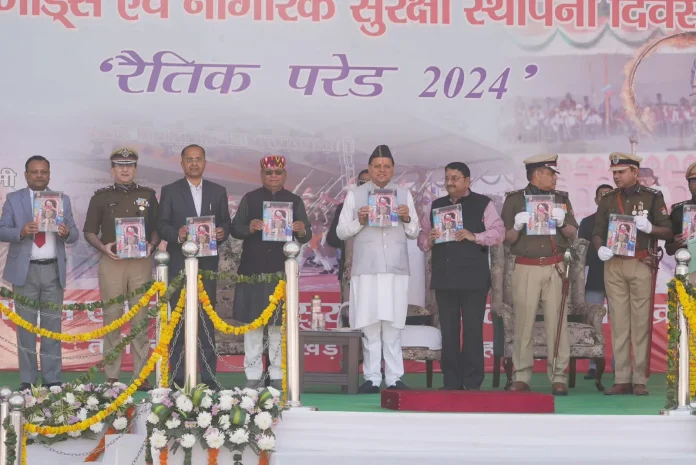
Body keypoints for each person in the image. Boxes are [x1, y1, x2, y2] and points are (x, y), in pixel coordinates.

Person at [337, 145, 420, 393]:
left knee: (393, 326)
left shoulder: (404, 195)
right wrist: (360, 221)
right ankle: (372, 378)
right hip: (367, 269)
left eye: (386, 166)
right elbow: (341, 231)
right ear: (369, 169)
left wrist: (406, 218)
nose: (382, 170)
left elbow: (414, 232)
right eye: (377, 166)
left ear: (393, 169)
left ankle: (394, 378)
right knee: (370, 325)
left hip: (395, 269)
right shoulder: (355, 195)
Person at [593, 152, 672, 396]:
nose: (616, 177)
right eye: (614, 172)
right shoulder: (608, 199)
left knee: (640, 323)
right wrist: (599, 248)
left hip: (640, 262)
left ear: (635, 172)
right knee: (618, 322)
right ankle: (622, 378)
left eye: (621, 172)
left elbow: (668, 231)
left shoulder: (652, 197)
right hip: (614, 264)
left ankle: (639, 379)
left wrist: (650, 227)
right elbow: (597, 231)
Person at [231, 155, 311, 390]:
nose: (273, 176)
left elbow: (307, 234)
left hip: (280, 271)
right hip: (253, 269)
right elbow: (235, 229)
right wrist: (249, 227)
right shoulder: (250, 198)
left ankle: (277, 374)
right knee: (253, 325)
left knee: (277, 325)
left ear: (284, 175)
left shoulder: (294, 201)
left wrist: (301, 229)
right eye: (268, 172)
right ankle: (253, 375)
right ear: (262, 175)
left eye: (278, 172)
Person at [501, 154, 578, 396]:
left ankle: (558, 376)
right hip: (526, 267)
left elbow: (572, 233)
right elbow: (507, 239)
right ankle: (521, 376)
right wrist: (516, 226)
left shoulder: (561, 199)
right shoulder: (514, 200)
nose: (555, 178)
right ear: (537, 174)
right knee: (524, 323)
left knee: (557, 323)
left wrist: (562, 222)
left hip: (555, 266)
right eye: (551, 173)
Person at [83, 148, 160, 390]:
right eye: (120, 165)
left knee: (140, 320)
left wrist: (152, 245)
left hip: (140, 263)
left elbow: (157, 228)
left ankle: (141, 375)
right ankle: (112, 377)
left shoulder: (148, 196)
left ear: (135, 169)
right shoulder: (100, 197)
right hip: (112, 262)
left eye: (129, 165)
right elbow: (89, 231)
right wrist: (103, 247)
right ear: (112, 170)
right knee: (112, 319)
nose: (125, 169)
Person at [0, 156, 78, 390]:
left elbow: (74, 234)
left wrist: (65, 233)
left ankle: (52, 378)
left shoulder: (62, 200)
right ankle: (28, 379)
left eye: (43, 172)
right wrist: (21, 231)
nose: (39, 175)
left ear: (49, 174)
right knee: (26, 328)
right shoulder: (14, 199)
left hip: (53, 270)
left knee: (52, 327)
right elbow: (2, 230)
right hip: (25, 272)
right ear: (26, 175)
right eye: (34, 172)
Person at [425, 162, 505, 390]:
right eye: (447, 178)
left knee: (472, 330)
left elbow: (499, 233)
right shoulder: (436, 205)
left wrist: (475, 236)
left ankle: (472, 381)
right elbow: (422, 239)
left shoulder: (483, 203)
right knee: (449, 331)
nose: (449, 182)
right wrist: (429, 239)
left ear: (467, 181)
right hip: (445, 277)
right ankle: (451, 381)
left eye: (455, 178)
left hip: (473, 279)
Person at [158, 144, 230, 388]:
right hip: (179, 264)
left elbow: (226, 224)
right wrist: (177, 235)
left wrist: (222, 232)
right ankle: (178, 377)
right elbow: (162, 225)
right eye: (189, 159)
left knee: (206, 321)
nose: (194, 163)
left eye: (198, 159)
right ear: (182, 163)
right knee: (178, 321)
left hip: (207, 264)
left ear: (205, 162)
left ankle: (209, 378)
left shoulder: (218, 191)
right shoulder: (170, 191)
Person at [578, 184, 613, 379]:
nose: (605, 198)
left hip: (618, 277)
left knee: (620, 323)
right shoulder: (587, 222)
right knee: (592, 322)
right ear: (596, 200)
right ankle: (593, 365)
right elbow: (580, 252)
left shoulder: (621, 221)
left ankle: (619, 365)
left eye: (609, 195)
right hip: (594, 277)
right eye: (602, 195)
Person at [327, 169, 370, 303]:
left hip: (378, 273)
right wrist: (352, 227)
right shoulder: (344, 207)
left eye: (371, 183)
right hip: (350, 272)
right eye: (362, 182)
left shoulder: (387, 209)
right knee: (350, 311)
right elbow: (332, 239)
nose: (366, 186)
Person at [665, 162, 696, 257]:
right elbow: (669, 249)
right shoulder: (678, 211)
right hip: (689, 263)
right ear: (688, 185)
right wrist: (677, 244)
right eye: (694, 180)